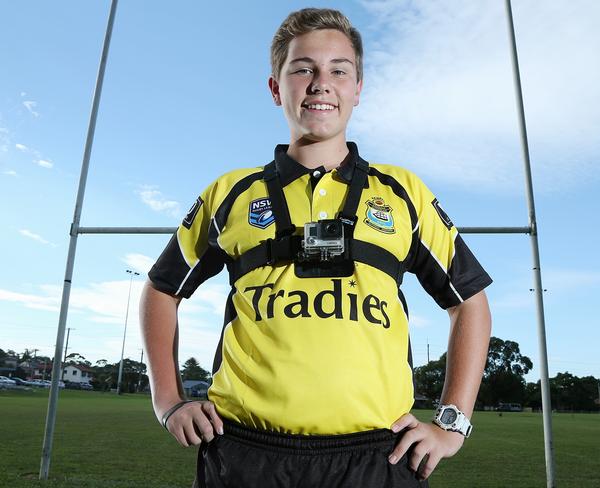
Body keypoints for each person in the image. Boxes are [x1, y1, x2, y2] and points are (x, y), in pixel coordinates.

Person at [140, 7, 492, 488]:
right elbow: (162, 289)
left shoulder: (403, 192)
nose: (320, 83)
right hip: (246, 451)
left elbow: (469, 300)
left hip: (377, 456)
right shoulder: (231, 193)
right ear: (275, 87)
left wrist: (451, 423)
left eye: (338, 71)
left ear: (357, 89)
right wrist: (169, 399)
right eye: (303, 68)